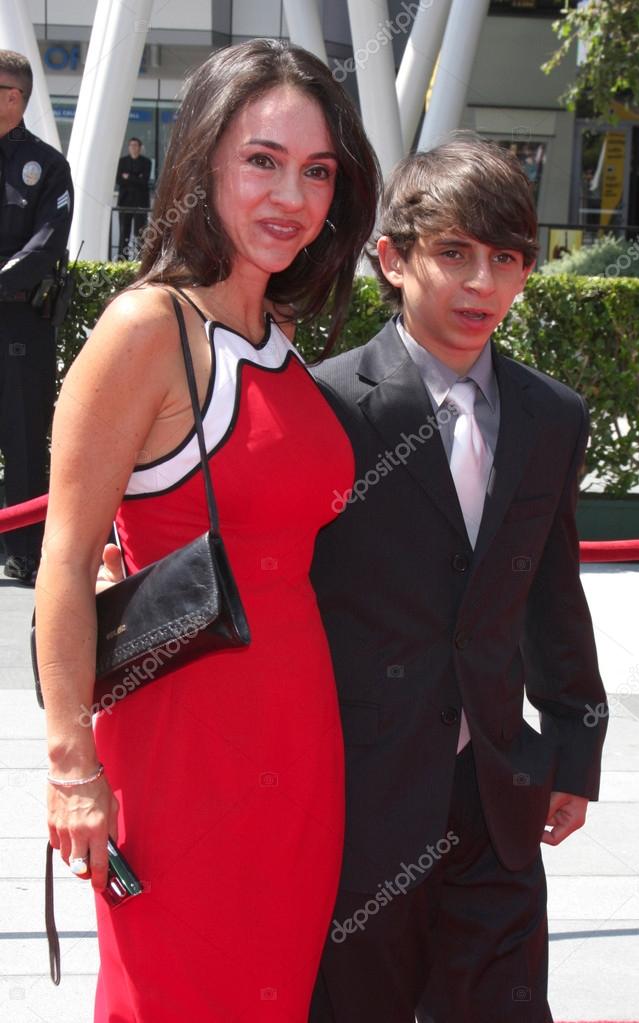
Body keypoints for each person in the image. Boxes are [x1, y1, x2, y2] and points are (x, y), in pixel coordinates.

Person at [35, 39, 379, 1022]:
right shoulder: (147, 329)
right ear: (202, 164)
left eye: (317, 171)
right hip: (181, 748)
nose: (292, 195)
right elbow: (62, 565)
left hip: (298, 742)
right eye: (261, 160)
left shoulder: (274, 337)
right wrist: (71, 770)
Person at [306, 138, 608, 1022]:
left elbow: (554, 594)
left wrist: (575, 747)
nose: (483, 283)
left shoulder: (551, 415)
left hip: (496, 798)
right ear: (393, 259)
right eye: (455, 253)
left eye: (506, 259)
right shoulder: (327, 405)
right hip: (361, 801)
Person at [0, 49, 73, 585]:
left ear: (14, 98)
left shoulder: (47, 166)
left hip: (20, 325)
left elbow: (45, 247)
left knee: (23, 440)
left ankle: (23, 551)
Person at [115, 137, 151, 259]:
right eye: (131, 145)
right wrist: (136, 177)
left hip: (140, 203)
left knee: (140, 232)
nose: (133, 148)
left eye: (135, 145)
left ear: (140, 148)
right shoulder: (122, 161)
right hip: (125, 202)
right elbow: (119, 180)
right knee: (124, 231)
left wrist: (128, 177)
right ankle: (121, 259)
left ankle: (140, 259)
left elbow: (144, 181)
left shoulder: (146, 162)